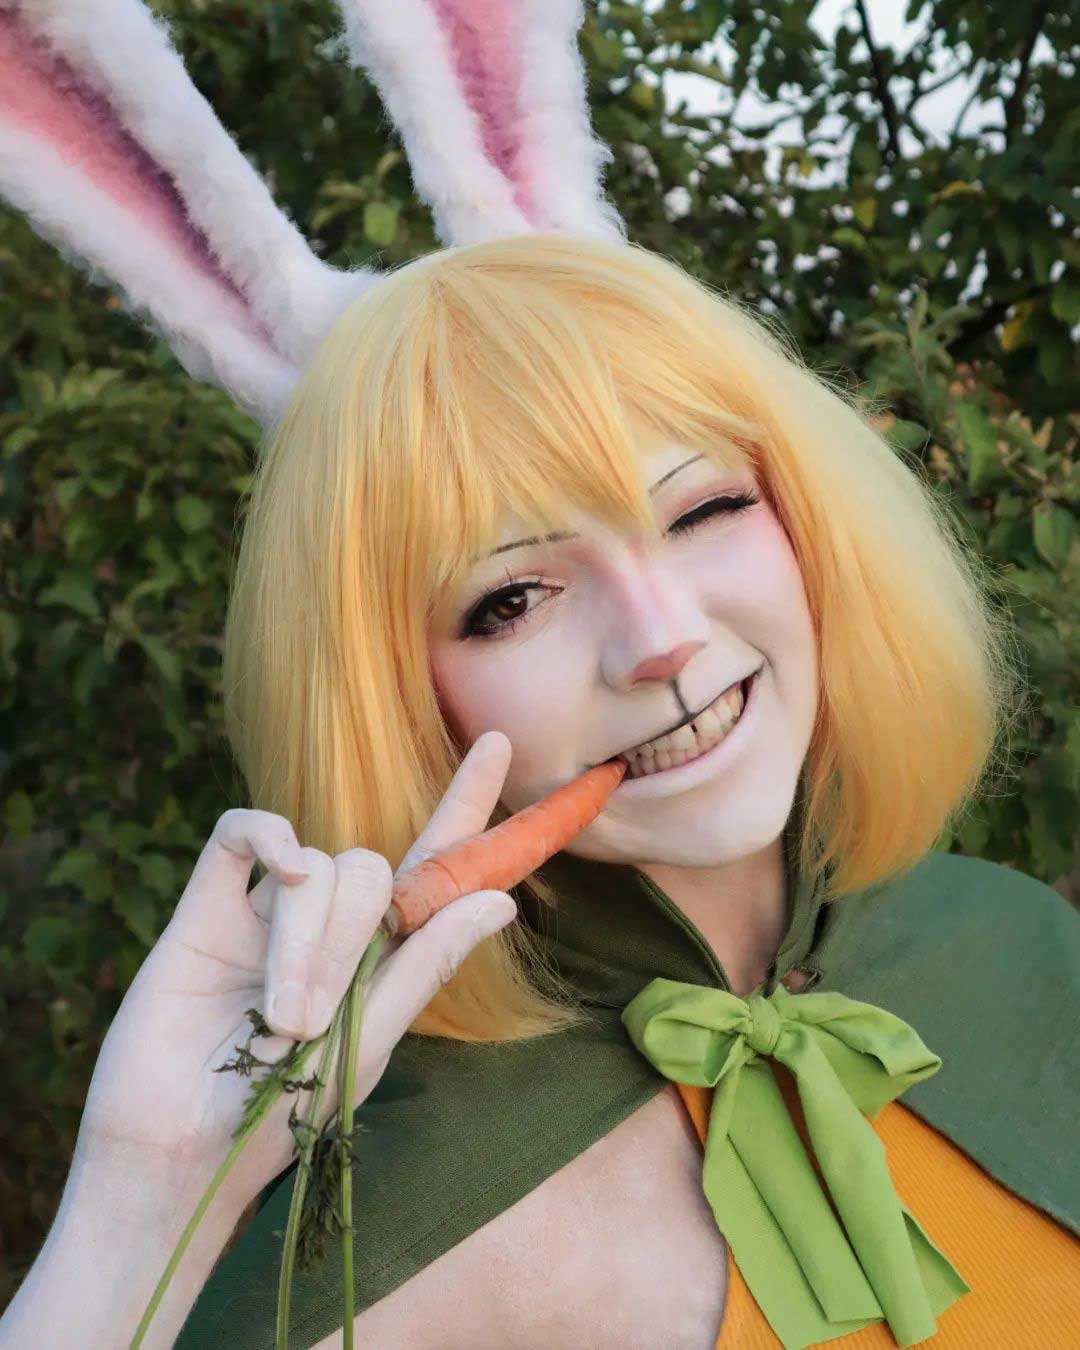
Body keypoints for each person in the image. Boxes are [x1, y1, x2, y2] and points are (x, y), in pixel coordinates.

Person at [1, 5, 1076, 1350]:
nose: (659, 637)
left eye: (703, 509)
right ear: (394, 691)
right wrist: (141, 1194)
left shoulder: (1015, 948)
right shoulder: (389, 1231)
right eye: (510, 598)